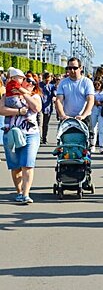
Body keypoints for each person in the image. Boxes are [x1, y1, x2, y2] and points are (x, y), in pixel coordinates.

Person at [0, 73, 42, 204]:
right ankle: (19, 192)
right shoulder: (7, 96)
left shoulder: (35, 96)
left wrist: (23, 92)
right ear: (22, 81)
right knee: (16, 166)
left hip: (30, 134)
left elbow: (36, 108)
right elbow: (1, 110)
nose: (30, 83)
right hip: (11, 133)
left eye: (33, 82)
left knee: (27, 164)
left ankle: (25, 194)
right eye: (27, 80)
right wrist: (18, 112)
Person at [55, 58, 95, 131]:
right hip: (67, 119)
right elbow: (58, 100)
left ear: (80, 68)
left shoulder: (87, 82)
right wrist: (62, 115)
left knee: (86, 140)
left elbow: (90, 100)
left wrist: (83, 115)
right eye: (69, 68)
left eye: (75, 68)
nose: (72, 70)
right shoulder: (63, 83)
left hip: (83, 118)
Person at [90, 78, 103, 154]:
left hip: (102, 110)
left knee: (101, 129)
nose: (97, 86)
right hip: (94, 109)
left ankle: (101, 146)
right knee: (93, 128)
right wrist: (95, 102)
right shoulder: (92, 91)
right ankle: (92, 145)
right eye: (95, 84)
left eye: (98, 84)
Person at [38, 72, 56, 144]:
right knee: (40, 123)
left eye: (49, 80)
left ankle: (44, 138)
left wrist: (54, 97)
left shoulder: (52, 86)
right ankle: (39, 138)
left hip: (48, 107)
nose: (47, 81)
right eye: (46, 80)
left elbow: (54, 93)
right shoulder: (39, 85)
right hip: (40, 107)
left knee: (46, 124)